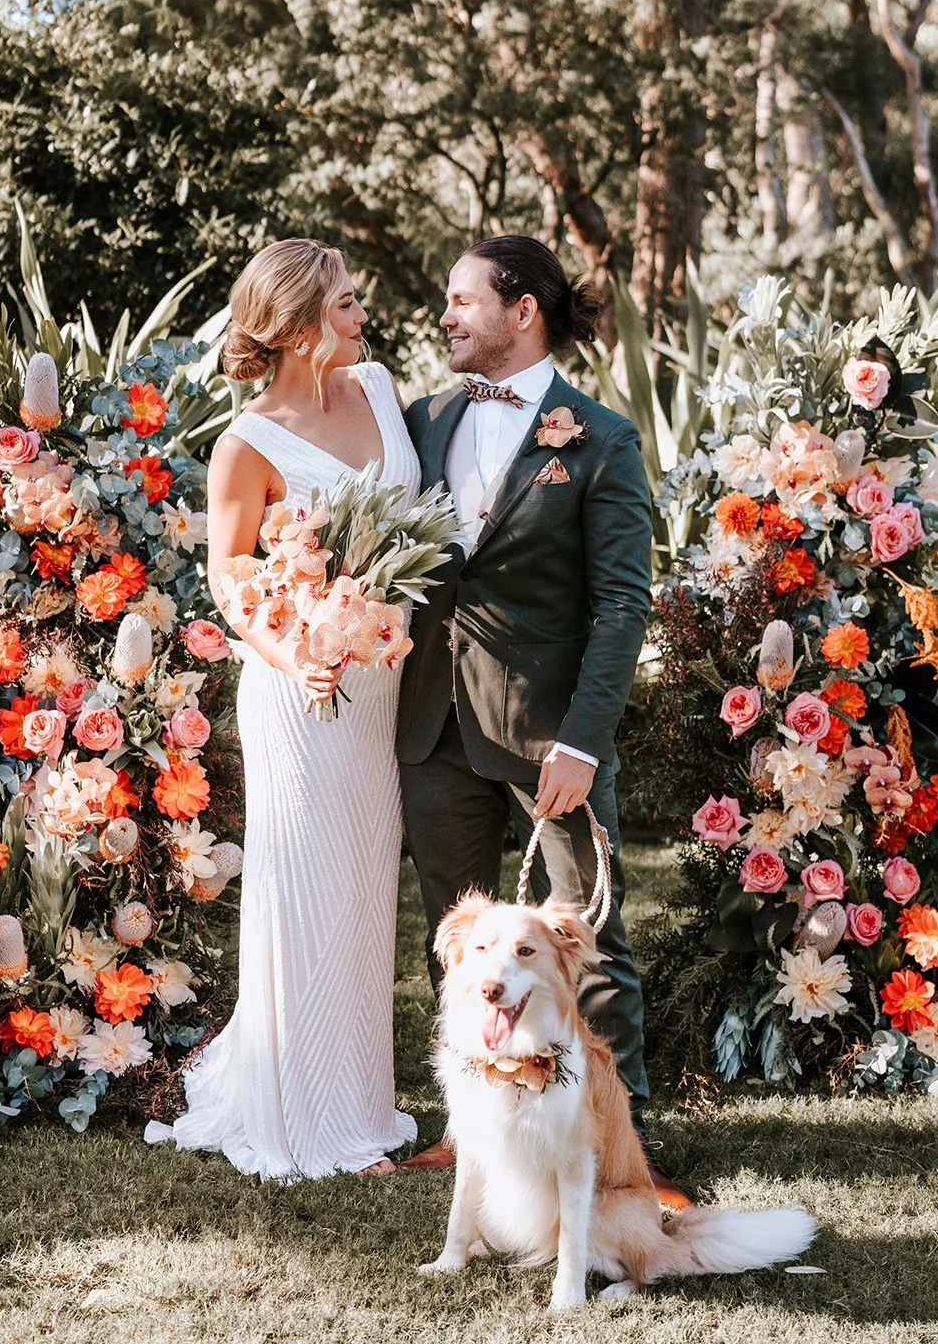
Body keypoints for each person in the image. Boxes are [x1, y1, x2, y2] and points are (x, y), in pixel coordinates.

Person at [396, 236, 688, 1210]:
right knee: (463, 944)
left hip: (548, 733)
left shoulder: (600, 436)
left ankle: (622, 1143)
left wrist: (581, 737)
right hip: (432, 719)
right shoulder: (422, 419)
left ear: (523, 310)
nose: (446, 315)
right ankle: (470, 1129)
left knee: (582, 939)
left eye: (461, 298)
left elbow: (622, 600)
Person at [154, 238, 418, 1179]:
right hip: (300, 690)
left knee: (363, 889)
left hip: (380, 680)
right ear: (303, 328)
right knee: (303, 890)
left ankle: (359, 1097)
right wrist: (292, 650)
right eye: (346, 305)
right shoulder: (244, 444)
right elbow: (228, 578)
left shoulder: (381, 389)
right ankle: (305, 1116)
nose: (361, 317)